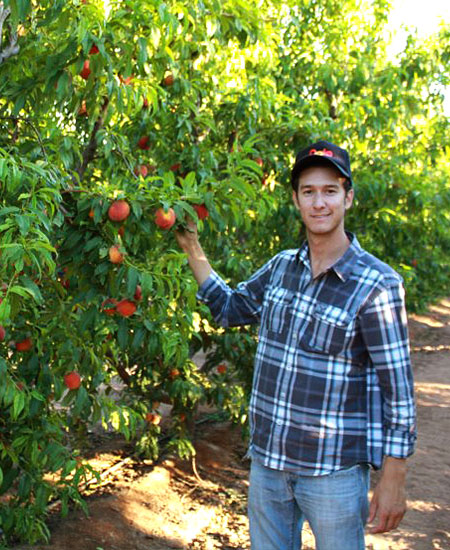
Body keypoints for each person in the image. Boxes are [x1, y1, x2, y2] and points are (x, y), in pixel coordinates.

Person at [175, 140, 417, 550]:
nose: (319, 202)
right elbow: (230, 309)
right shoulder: (281, 267)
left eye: (330, 191)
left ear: (348, 197)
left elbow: (399, 392)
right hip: (268, 463)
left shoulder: (378, 285)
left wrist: (393, 478)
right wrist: (191, 247)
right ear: (295, 199)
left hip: (333, 471)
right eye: (309, 191)